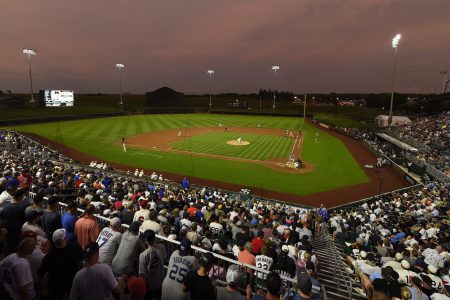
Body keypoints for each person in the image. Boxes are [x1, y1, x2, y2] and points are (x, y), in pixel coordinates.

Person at [37, 228, 83, 300]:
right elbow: (82, 258)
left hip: (56, 285)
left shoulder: (49, 257)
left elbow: (40, 272)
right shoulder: (75, 248)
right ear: (64, 238)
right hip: (72, 282)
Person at [0, 230, 37, 300]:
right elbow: (23, 290)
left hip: (9, 294)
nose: (34, 248)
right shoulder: (23, 264)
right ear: (26, 246)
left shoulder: (12, 255)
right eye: (33, 245)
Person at [0, 187, 31, 255]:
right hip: (19, 233)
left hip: (8, 234)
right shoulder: (25, 206)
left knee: (9, 251)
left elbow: (2, 221)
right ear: (21, 197)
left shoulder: (5, 208)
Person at [139, 229, 167, 300]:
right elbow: (165, 258)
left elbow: (142, 274)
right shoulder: (162, 247)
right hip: (160, 280)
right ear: (154, 238)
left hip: (149, 284)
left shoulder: (143, 255)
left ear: (146, 240)